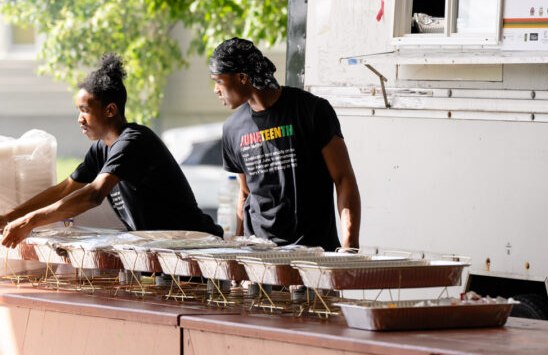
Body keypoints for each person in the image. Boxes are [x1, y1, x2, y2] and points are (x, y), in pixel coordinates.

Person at [1, 53, 222, 247]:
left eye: (85, 110)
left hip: (196, 245)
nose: (80, 119)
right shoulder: (101, 149)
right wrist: (10, 217)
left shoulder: (133, 142)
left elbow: (93, 195)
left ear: (110, 109)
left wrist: (29, 222)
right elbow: (65, 189)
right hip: (165, 250)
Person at [210, 38, 360, 251]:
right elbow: (245, 194)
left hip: (313, 258)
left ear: (242, 77)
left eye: (218, 81)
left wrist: (350, 246)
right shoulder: (232, 129)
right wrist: (238, 256)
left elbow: (343, 178)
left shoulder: (312, 111)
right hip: (259, 260)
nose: (216, 90)